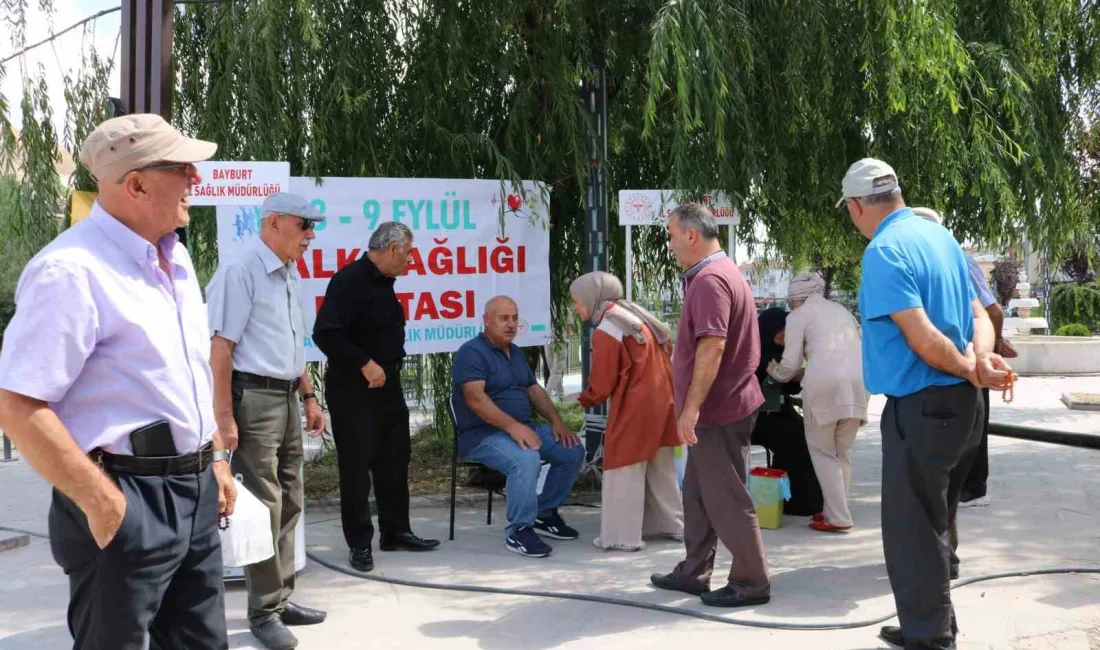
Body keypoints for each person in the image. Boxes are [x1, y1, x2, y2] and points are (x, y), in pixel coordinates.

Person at [0, 114, 236, 648]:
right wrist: (103, 503)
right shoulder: (70, 271)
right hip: (124, 494)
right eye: (182, 167)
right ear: (136, 185)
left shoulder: (174, 258)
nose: (197, 179)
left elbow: (188, 374)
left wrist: (214, 458)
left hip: (194, 491)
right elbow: (17, 405)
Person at [839, 158, 1012, 649]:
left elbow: (921, 336)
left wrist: (968, 365)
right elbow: (980, 312)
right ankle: (932, 624)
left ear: (855, 207)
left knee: (912, 528)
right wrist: (979, 360)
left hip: (922, 404)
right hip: (963, 406)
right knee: (934, 521)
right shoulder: (941, 238)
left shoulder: (885, 251)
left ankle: (929, 637)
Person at [206, 192, 328, 650]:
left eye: (313, 227)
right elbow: (221, 348)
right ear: (273, 223)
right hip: (252, 396)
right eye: (304, 226)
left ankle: (280, 598)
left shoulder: (291, 274)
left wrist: (310, 396)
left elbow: (294, 343)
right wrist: (223, 418)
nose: (311, 235)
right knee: (264, 503)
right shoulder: (241, 272)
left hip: (286, 397)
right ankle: (262, 611)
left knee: (292, 498)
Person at [649, 203, 770, 609]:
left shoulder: (710, 280)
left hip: (718, 410)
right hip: (720, 407)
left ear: (691, 235)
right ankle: (694, 571)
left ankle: (751, 582)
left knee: (726, 498)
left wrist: (691, 409)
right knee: (698, 495)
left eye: (670, 235)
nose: (669, 245)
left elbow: (713, 344)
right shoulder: (719, 273)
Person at [312, 221, 440, 574]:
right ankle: (359, 543)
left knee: (395, 458)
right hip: (355, 389)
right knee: (356, 468)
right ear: (392, 248)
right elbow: (325, 333)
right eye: (409, 252)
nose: (412, 260)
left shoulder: (385, 284)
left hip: (389, 385)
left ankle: (396, 531)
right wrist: (364, 364)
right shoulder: (349, 280)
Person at [451, 296, 585, 558]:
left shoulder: (515, 353)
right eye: (503, 318)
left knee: (571, 449)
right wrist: (513, 427)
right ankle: (519, 529)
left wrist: (557, 422)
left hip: (523, 428)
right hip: (483, 436)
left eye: (514, 318)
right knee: (525, 459)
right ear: (486, 321)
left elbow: (533, 390)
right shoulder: (471, 352)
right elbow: (475, 399)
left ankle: (544, 513)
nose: (511, 324)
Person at [569, 272, 684, 551]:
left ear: (592, 297)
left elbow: (603, 381)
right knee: (661, 467)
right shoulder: (636, 317)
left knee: (623, 467)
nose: (575, 308)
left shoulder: (609, 327)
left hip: (635, 405)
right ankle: (672, 525)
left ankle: (622, 536)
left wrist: (584, 398)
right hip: (662, 401)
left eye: (577, 301)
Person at [913, 207, 1017, 509]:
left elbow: (992, 311)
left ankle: (974, 487)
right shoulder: (935, 262)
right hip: (963, 357)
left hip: (973, 356)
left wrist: (990, 351)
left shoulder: (956, 261)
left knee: (974, 425)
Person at [767, 272, 868, 532]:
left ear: (795, 298)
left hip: (825, 387)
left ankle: (837, 517)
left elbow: (790, 365)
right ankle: (836, 512)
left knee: (823, 452)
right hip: (859, 386)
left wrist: (773, 371)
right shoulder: (842, 311)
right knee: (841, 452)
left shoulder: (798, 316)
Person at [751, 307, 824, 517]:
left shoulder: (785, 353)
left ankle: (807, 500)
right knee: (794, 439)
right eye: (781, 333)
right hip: (759, 416)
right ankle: (793, 502)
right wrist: (786, 374)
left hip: (782, 411)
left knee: (810, 435)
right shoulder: (754, 355)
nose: (784, 339)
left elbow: (792, 387)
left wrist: (792, 375)